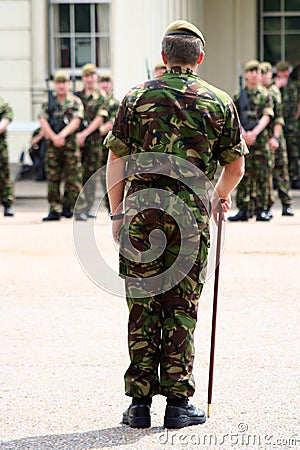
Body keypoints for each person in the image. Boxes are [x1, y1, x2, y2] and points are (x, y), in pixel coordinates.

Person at [105, 19, 247, 429]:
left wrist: (117, 213)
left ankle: (139, 405)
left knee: (143, 307)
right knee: (182, 307)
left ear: (163, 58)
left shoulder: (135, 97)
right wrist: (219, 197)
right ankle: (178, 404)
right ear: (199, 58)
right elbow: (236, 165)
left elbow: (116, 161)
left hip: (141, 211)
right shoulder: (218, 101)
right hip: (189, 215)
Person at [228, 60, 274, 222]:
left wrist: (254, 133)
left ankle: (263, 208)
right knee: (243, 174)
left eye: (257, 71)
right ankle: (244, 208)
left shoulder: (265, 94)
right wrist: (244, 134)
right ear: (246, 74)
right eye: (251, 71)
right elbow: (234, 116)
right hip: (243, 139)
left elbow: (267, 116)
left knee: (262, 174)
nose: (254, 74)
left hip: (260, 140)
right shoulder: (239, 95)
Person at [39, 70, 85, 221]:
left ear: (69, 84)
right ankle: (54, 209)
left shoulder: (75, 102)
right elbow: (43, 121)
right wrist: (54, 137)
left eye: (64, 83)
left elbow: (76, 121)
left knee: (74, 177)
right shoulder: (48, 104)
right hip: (53, 146)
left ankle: (71, 207)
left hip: (69, 145)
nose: (61, 86)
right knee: (53, 178)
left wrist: (61, 135)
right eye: (58, 83)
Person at [260, 62, 294, 216]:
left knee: (281, 171)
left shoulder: (273, 92)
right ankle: (266, 206)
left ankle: (286, 205)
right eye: (260, 73)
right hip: (263, 138)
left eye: (265, 73)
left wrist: (276, 137)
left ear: (270, 74)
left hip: (275, 136)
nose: (262, 76)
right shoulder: (258, 92)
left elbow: (278, 117)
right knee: (265, 173)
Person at [74, 63, 108, 218]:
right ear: (83, 78)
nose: (90, 79)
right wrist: (78, 135)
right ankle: (77, 207)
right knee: (77, 173)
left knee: (91, 174)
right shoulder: (77, 96)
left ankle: (88, 207)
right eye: (87, 76)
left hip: (93, 140)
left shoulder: (101, 96)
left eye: (92, 76)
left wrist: (84, 134)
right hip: (77, 139)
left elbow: (100, 119)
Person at [275, 61, 300, 189]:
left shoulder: (294, 84)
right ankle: (277, 180)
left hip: (291, 122)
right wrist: (277, 86)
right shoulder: (274, 85)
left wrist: (297, 113)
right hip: (277, 123)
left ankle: (295, 178)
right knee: (279, 152)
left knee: (294, 151)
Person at [97, 72, 120, 211]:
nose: (104, 84)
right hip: (94, 144)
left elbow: (115, 122)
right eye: (102, 82)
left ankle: (110, 207)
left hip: (109, 145)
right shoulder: (96, 102)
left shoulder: (115, 103)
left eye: (107, 82)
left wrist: (101, 128)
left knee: (109, 175)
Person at [0, 96, 14, 217]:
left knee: (3, 174)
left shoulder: (3, 103)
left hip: (0, 145)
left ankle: (7, 204)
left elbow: (6, 118)